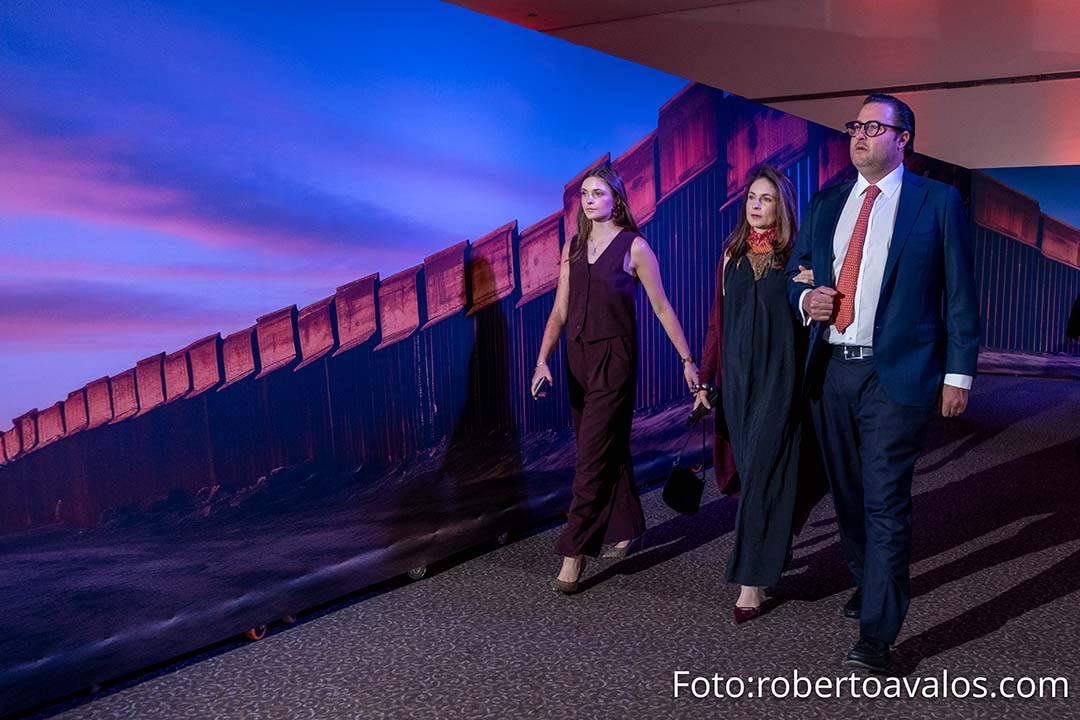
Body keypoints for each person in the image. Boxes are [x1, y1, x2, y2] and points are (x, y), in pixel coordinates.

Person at [786, 94, 980, 671]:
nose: (860, 135)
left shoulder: (937, 201)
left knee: (886, 500)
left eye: (874, 127)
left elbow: (961, 293)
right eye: (856, 126)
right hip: (831, 370)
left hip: (896, 373)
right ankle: (868, 578)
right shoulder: (827, 202)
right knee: (848, 496)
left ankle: (878, 633)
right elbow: (797, 272)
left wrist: (958, 373)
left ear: (903, 139)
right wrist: (807, 299)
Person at [530, 165, 699, 594]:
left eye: (599, 193)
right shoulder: (573, 247)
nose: (589, 200)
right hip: (576, 358)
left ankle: (574, 552)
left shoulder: (634, 246)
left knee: (590, 455)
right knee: (608, 446)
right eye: (585, 194)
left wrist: (687, 360)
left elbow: (662, 307)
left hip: (614, 358)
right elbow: (559, 310)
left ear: (617, 200)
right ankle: (628, 525)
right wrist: (542, 360)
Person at [695, 165, 818, 624]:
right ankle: (771, 552)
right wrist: (705, 378)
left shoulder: (797, 258)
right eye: (751, 197)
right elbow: (717, 322)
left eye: (765, 198)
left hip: (779, 380)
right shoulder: (731, 254)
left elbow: (810, 323)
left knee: (765, 469)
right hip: (737, 383)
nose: (756, 205)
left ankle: (750, 581)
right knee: (753, 475)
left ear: (782, 206)